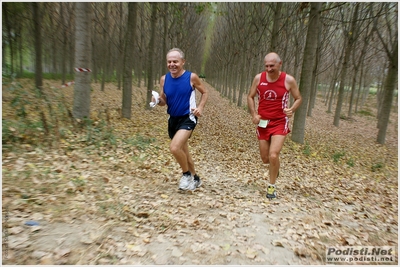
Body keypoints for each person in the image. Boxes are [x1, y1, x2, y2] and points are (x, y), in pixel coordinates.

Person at [150, 48, 208, 191]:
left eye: (175, 61)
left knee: (175, 148)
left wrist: (200, 107)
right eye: (169, 62)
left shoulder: (191, 77)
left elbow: (205, 92)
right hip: (173, 119)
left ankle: (186, 175)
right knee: (184, 152)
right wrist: (157, 100)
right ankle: (196, 178)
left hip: (188, 118)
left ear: (183, 62)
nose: (172, 64)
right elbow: (164, 100)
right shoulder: (164, 79)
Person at [247, 52, 302, 199]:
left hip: (279, 122)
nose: (269, 68)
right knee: (265, 158)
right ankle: (274, 167)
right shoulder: (259, 78)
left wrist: (292, 110)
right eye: (266, 66)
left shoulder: (289, 80)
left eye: (272, 65)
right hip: (263, 122)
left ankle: (271, 187)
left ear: (280, 64)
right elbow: (250, 96)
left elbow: (298, 98)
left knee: (273, 155)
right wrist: (254, 114)